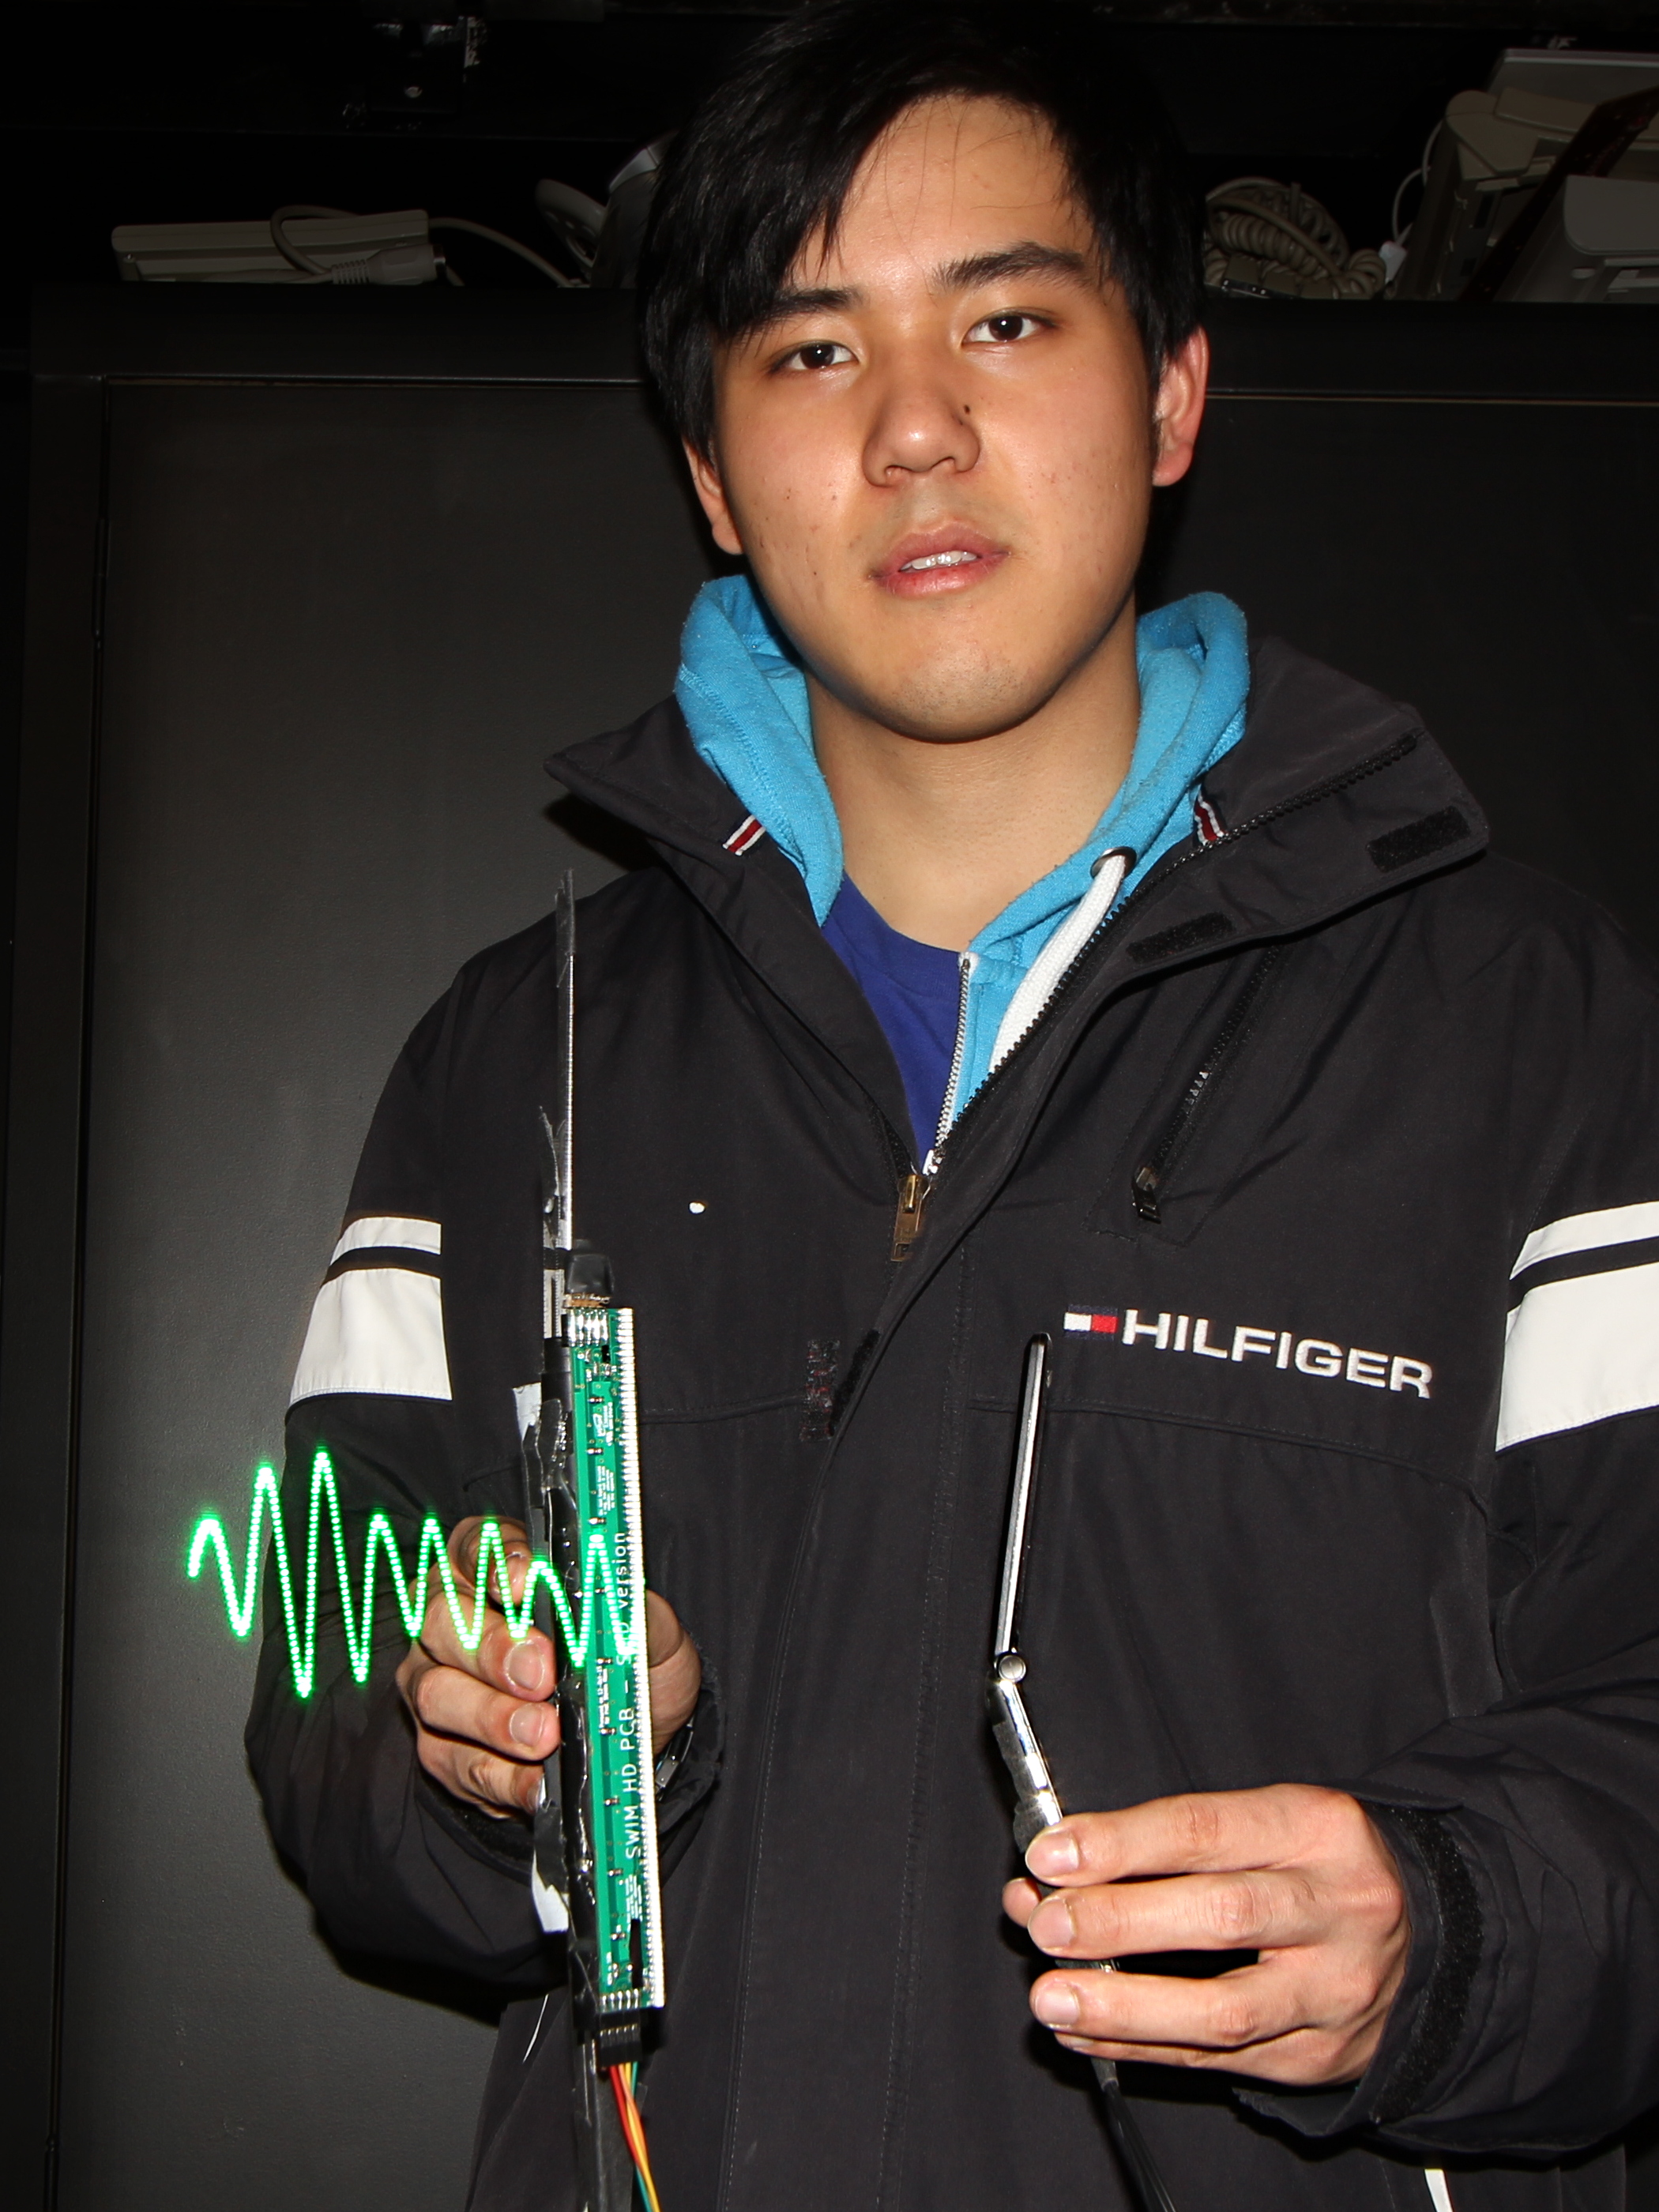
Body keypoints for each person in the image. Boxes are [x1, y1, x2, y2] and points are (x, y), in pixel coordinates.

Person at [246, 3, 1659, 2206]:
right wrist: (502, 1771)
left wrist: (1447, 1927)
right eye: (812, 351)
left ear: (1170, 391)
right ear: (714, 479)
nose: (915, 429)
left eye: (1005, 320)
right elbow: (330, 1702)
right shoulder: (519, 1055)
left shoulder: (1531, 1029)